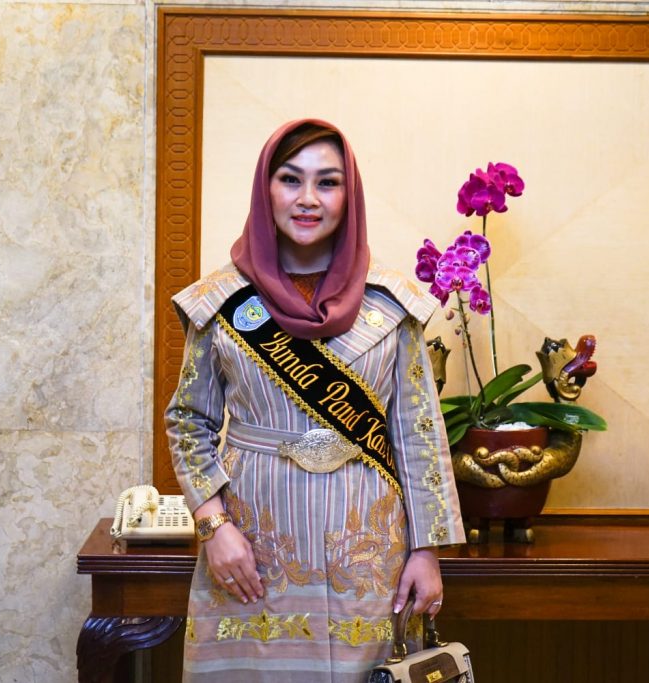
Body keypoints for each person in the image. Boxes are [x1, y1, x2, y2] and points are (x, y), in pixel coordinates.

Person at [165, 118, 464, 682]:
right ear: (266, 189)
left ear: (349, 196)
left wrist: (428, 552)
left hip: (368, 554)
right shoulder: (222, 303)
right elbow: (187, 421)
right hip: (251, 547)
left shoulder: (392, 304)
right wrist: (213, 528)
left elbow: (419, 434)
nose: (308, 199)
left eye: (327, 182)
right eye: (290, 179)